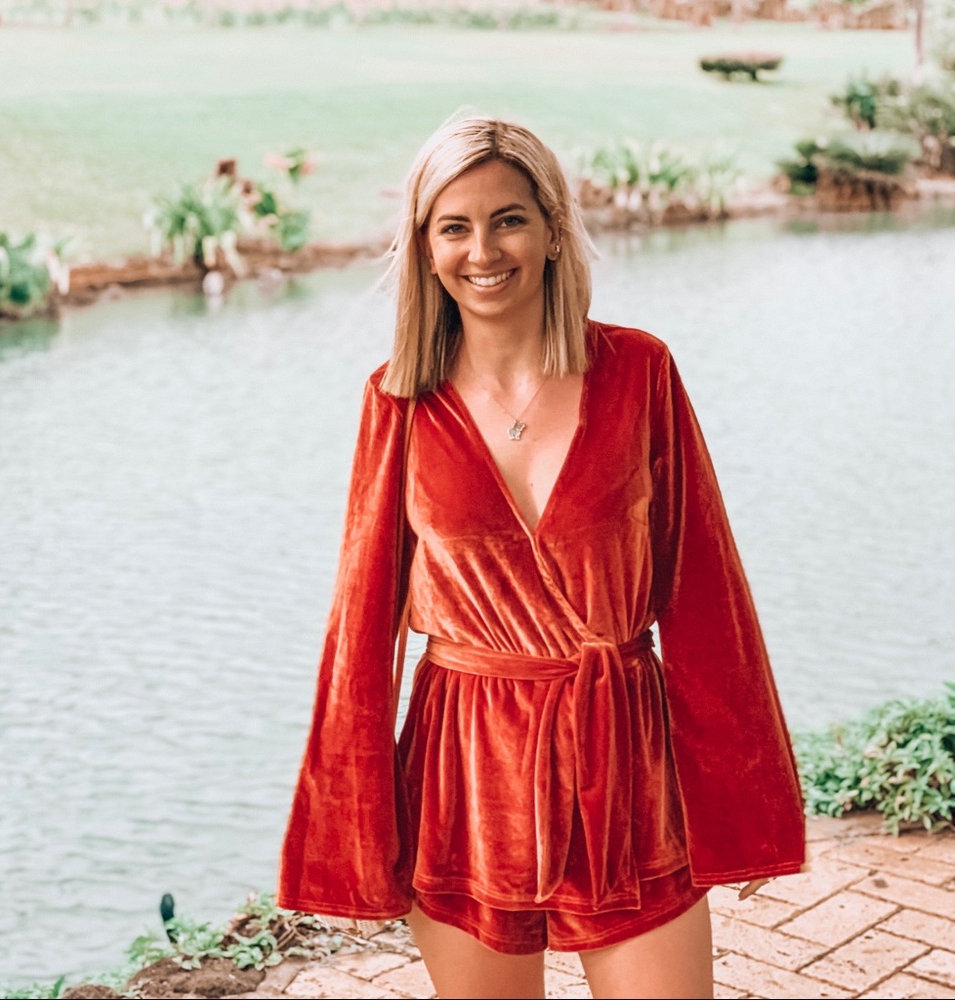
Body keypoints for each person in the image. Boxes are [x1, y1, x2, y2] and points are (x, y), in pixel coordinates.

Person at [278, 116, 806, 1000]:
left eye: (508, 219)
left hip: (623, 771)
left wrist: (742, 808)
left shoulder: (640, 373)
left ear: (554, 229)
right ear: (424, 247)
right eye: (454, 226)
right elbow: (360, 625)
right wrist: (352, 827)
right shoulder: (398, 401)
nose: (483, 250)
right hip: (464, 776)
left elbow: (708, 597)